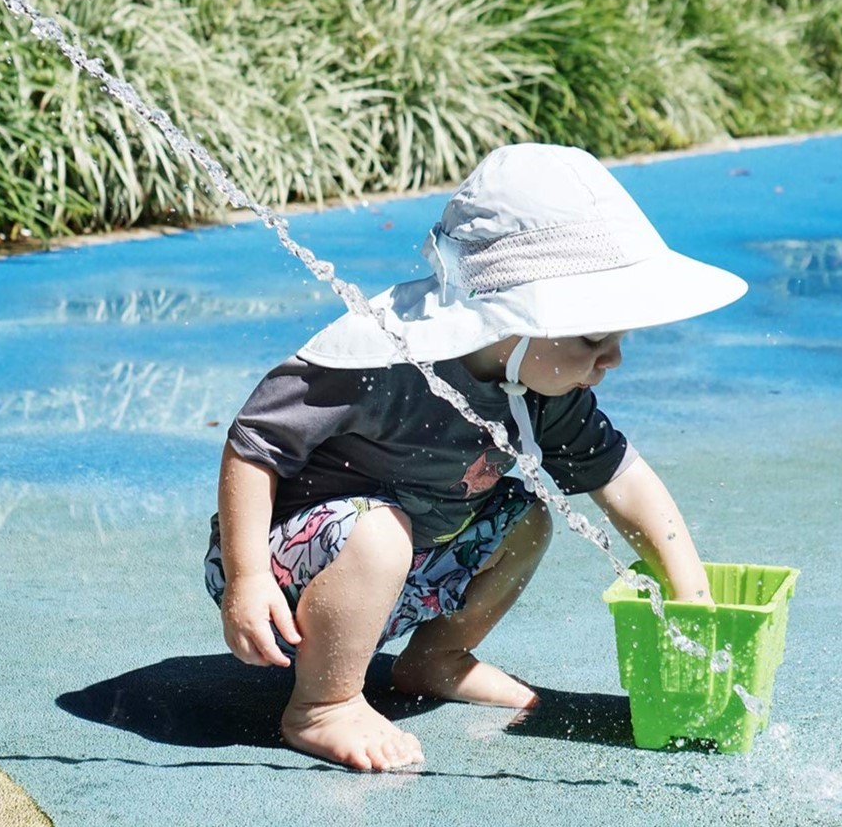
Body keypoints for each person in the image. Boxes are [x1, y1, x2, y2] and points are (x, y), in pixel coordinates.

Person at [204, 143, 747, 772]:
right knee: (380, 532)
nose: (613, 359)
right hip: (286, 571)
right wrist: (246, 579)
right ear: (510, 318)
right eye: (594, 338)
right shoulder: (378, 363)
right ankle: (322, 705)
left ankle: (434, 659)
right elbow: (253, 443)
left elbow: (624, 482)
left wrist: (692, 598)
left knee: (528, 519)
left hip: (403, 563)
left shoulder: (541, 386)